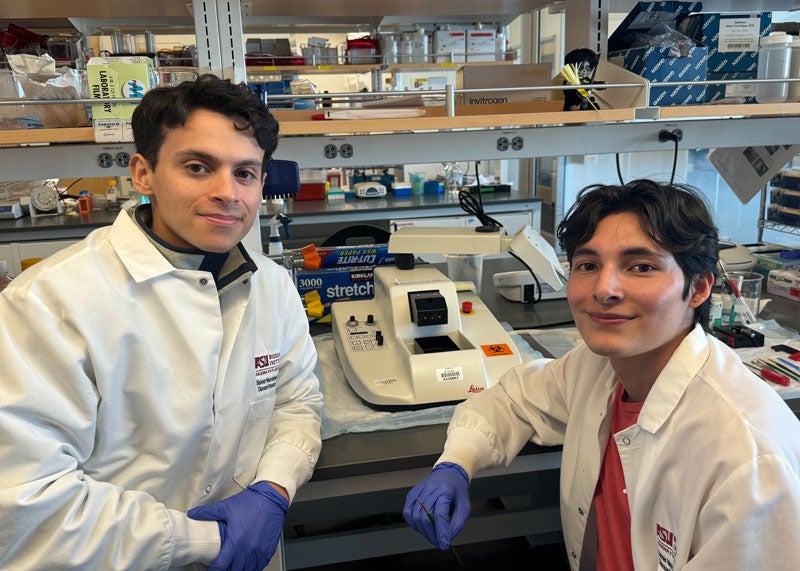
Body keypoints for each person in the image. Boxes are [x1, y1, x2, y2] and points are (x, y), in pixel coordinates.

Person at [0, 75, 323, 570]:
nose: (227, 193)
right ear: (143, 173)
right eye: (198, 167)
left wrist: (273, 490)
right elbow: (27, 503)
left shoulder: (272, 286)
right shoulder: (47, 304)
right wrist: (206, 541)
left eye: (245, 173)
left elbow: (296, 400)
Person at [404, 179, 800, 569]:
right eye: (588, 265)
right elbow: (512, 399)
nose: (604, 289)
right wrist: (456, 464)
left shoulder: (748, 463)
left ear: (698, 289)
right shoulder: (598, 367)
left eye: (641, 266)